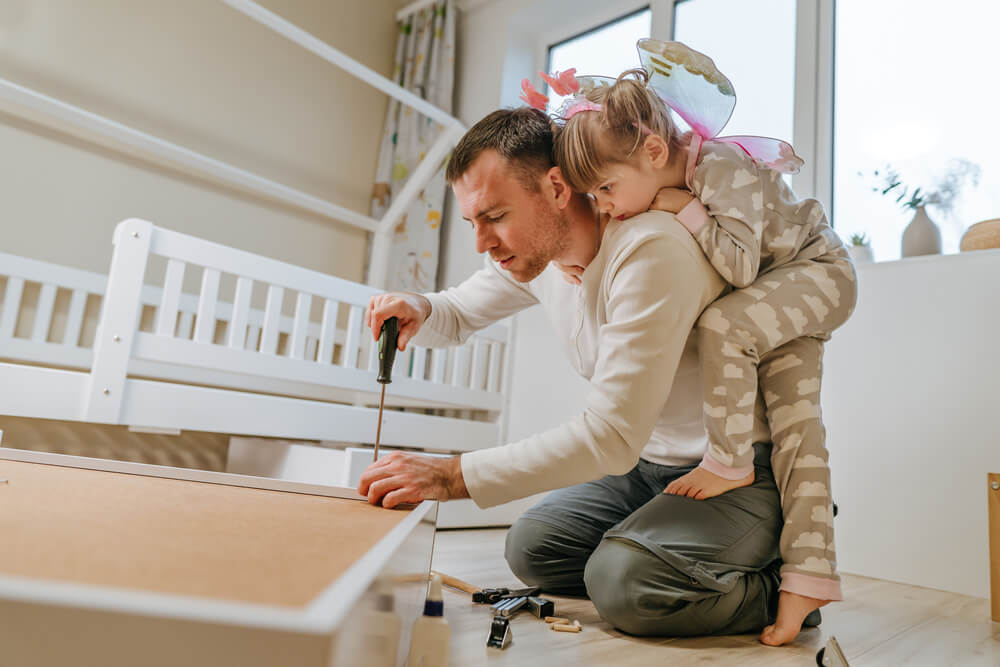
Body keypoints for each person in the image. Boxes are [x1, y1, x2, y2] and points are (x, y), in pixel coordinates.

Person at [360, 106, 816, 642]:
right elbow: (458, 310)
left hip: (734, 470)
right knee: (532, 547)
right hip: (648, 469)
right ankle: (661, 548)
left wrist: (449, 475)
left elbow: (612, 436)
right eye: (473, 223)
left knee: (624, 586)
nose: (482, 242)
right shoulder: (543, 256)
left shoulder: (651, 249)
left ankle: (776, 582)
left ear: (556, 188)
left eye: (496, 216)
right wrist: (418, 305)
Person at [544, 39, 857, 644]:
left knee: (760, 376)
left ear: (655, 151)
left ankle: (733, 464)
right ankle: (803, 587)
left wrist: (681, 207)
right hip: (782, 280)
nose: (604, 208)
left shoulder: (718, 167)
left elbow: (739, 265)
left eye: (606, 190)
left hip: (819, 273)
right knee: (796, 426)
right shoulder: (666, 168)